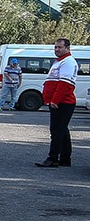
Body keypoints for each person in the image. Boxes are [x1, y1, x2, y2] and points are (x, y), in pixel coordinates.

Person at [35, 38, 77, 168]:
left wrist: (55, 100)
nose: (57, 50)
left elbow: (64, 84)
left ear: (67, 48)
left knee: (57, 130)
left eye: (60, 47)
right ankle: (65, 159)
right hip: (59, 102)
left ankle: (52, 158)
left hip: (63, 102)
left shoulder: (67, 62)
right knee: (62, 130)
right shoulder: (60, 61)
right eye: (55, 47)